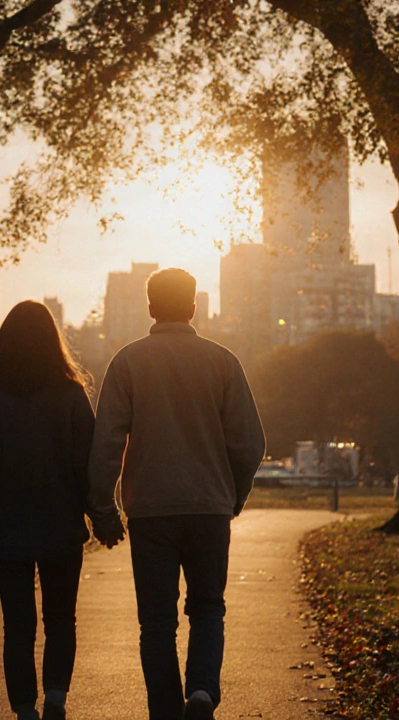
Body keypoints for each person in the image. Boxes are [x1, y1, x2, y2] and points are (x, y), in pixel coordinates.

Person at [87, 268, 266, 720]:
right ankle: (202, 692)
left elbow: (106, 443)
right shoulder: (223, 361)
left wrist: (104, 510)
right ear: (193, 307)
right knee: (207, 607)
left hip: (150, 511)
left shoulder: (127, 362)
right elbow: (249, 443)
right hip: (209, 507)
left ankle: (165, 710)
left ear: (149, 308)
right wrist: (233, 495)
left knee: (157, 622)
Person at [0, 300, 96, 720]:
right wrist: (95, 511)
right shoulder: (70, 395)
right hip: (61, 524)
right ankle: (57, 700)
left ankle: (23, 708)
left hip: (5, 525)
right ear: (54, 341)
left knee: (18, 625)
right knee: (61, 619)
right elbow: (89, 461)